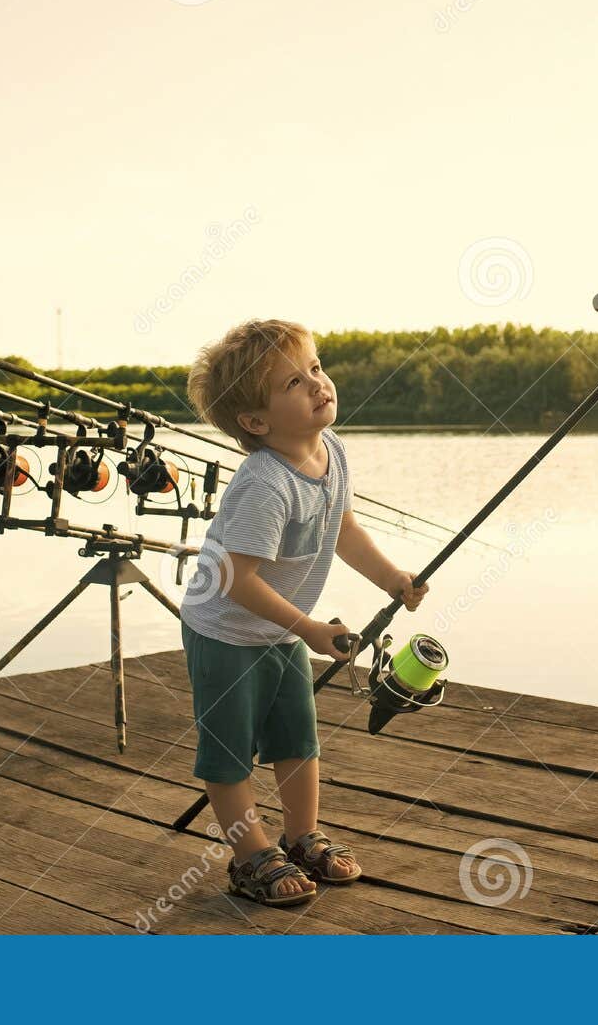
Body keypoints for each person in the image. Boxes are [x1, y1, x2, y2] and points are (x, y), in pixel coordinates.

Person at [181, 318, 428, 905]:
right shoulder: (264, 485)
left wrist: (392, 578)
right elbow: (237, 581)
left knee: (297, 737)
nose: (319, 384)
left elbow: (342, 528)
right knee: (229, 752)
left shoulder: (332, 452)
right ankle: (250, 856)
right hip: (225, 631)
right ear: (257, 422)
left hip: (282, 629)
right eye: (295, 382)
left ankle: (300, 836)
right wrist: (312, 628)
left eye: (315, 368)